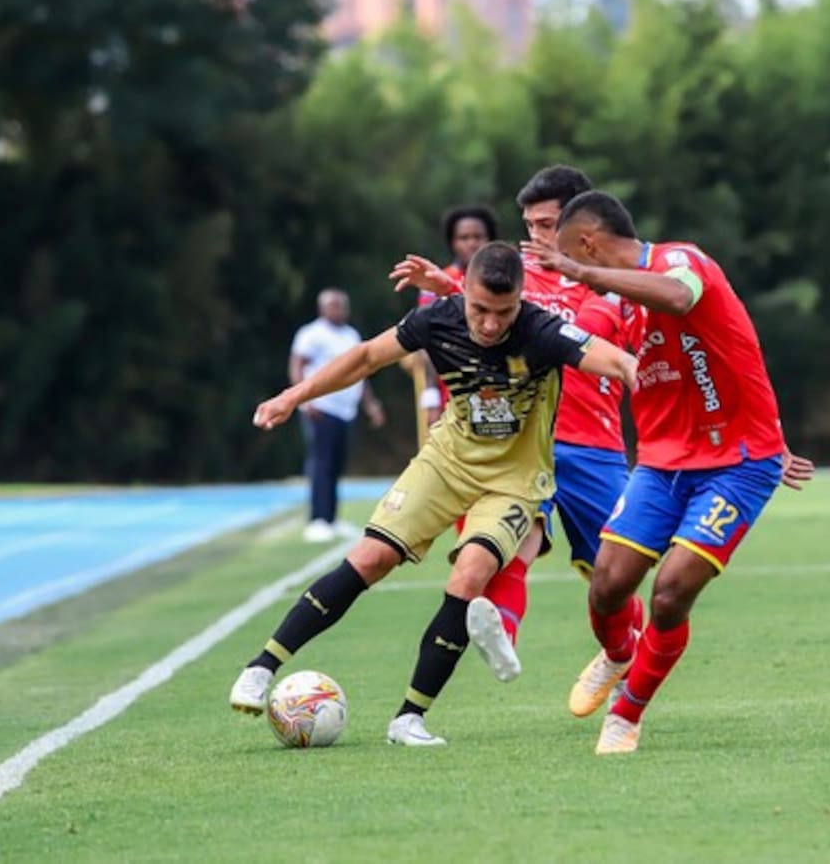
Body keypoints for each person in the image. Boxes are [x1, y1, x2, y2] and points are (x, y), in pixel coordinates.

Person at [230, 242, 638, 747]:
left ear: (521, 300)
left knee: (471, 572)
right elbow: (365, 357)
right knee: (371, 557)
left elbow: (617, 361)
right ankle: (261, 667)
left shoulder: (543, 330)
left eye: (504, 312)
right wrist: (292, 396)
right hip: (447, 462)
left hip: (514, 481)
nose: (491, 324)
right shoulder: (437, 319)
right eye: (480, 310)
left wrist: (647, 386)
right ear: (463, 293)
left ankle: (409, 718)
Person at [523, 190, 814, 754]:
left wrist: (581, 274)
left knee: (671, 592)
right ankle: (617, 655)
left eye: (570, 257)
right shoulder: (613, 301)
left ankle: (626, 714)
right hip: (662, 463)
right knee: (607, 584)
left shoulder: (681, 261)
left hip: (737, 464)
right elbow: (572, 331)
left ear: (587, 244)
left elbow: (679, 298)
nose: (574, 276)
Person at [390, 166, 643, 682]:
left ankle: (623, 652)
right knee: (512, 543)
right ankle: (503, 632)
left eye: (546, 225)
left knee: (612, 579)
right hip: (524, 440)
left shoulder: (617, 279)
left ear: (583, 224)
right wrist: (450, 289)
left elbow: (603, 342)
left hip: (594, 444)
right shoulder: (519, 273)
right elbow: (486, 316)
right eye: (529, 225)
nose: (535, 237)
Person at [289, 289, 387, 542]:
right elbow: (297, 365)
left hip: (346, 410)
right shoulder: (311, 334)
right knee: (321, 462)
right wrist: (303, 399)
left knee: (337, 464)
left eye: (342, 305)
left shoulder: (351, 335)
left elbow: (361, 372)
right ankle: (318, 518)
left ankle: (331, 517)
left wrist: (370, 404)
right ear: (322, 308)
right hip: (322, 407)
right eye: (334, 305)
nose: (340, 310)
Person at [413, 206, 499, 434]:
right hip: (452, 386)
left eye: (478, 237)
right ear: (452, 242)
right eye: (464, 237)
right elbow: (428, 342)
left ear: (490, 240)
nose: (472, 243)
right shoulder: (436, 282)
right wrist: (430, 396)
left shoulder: (507, 279)